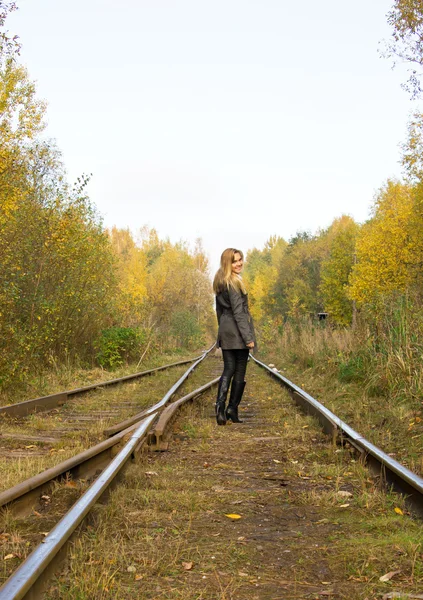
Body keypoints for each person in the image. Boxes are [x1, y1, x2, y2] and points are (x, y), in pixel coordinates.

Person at [213, 248, 256, 425]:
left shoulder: (220, 283)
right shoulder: (234, 283)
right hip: (238, 332)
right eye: (235, 261)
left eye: (240, 260)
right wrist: (248, 337)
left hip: (226, 329)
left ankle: (222, 408)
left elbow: (219, 311)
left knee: (228, 369)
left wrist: (221, 332)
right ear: (227, 263)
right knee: (238, 370)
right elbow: (239, 313)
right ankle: (231, 408)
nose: (239, 263)